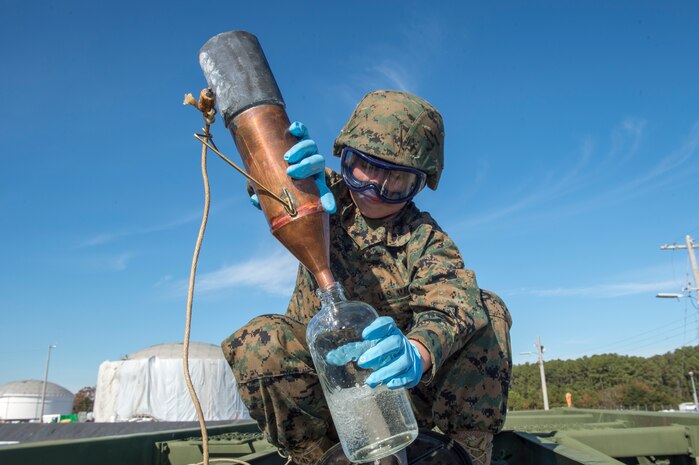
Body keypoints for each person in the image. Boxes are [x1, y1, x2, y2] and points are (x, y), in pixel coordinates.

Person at [222, 90, 512, 465]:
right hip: (333, 392)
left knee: (488, 310)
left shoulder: (426, 240)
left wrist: (419, 351)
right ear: (343, 157)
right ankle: (315, 459)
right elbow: (272, 180)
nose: (375, 190)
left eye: (397, 181)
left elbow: (453, 304)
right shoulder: (320, 196)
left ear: (420, 184)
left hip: (404, 393)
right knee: (257, 342)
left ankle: (466, 455)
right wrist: (278, 171)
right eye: (363, 168)